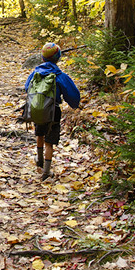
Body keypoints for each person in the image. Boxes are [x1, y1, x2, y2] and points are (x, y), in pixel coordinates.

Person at [25, 43, 80, 180]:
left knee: (40, 134)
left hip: (37, 108)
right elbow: (73, 95)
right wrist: (75, 104)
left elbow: (27, 88)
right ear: (58, 59)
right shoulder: (60, 76)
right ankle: (46, 172)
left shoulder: (35, 73)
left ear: (42, 58)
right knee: (49, 142)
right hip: (53, 110)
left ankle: (39, 161)